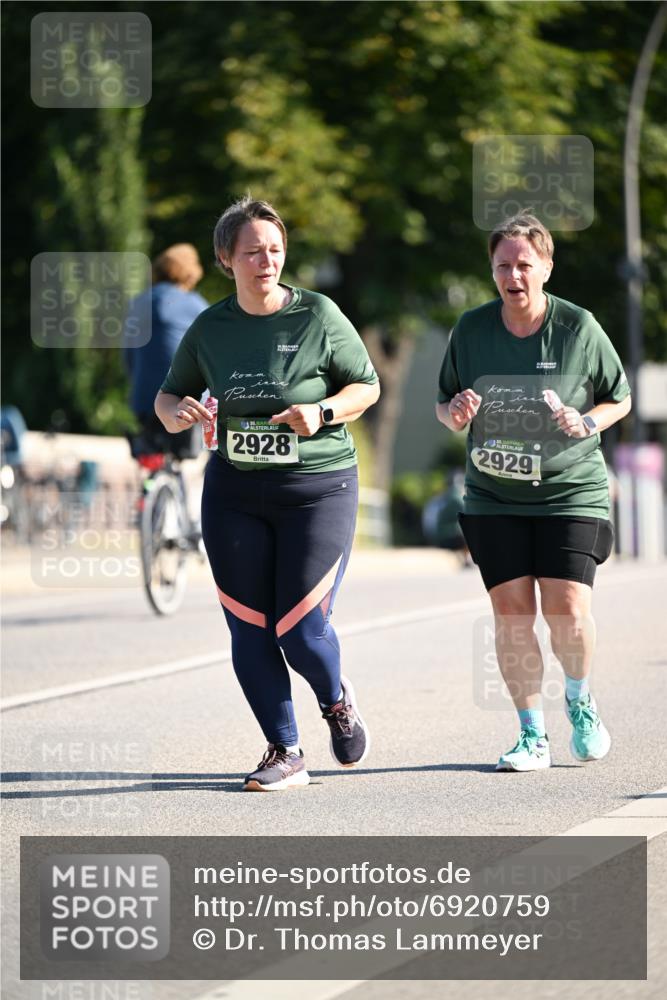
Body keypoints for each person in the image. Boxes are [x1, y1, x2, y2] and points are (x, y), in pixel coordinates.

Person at [155, 197, 380, 791]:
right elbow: (168, 395)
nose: (267, 261)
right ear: (226, 259)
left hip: (317, 487)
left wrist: (324, 410)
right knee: (250, 627)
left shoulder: (319, 315)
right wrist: (179, 410)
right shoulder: (211, 327)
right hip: (233, 490)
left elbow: (367, 385)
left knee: (301, 630)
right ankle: (285, 750)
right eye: (253, 251)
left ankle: (335, 700)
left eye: (275, 249)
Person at [435, 213, 631, 772]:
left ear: (546, 266)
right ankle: (531, 735)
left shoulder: (578, 328)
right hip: (494, 495)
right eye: (503, 265)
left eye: (525, 264)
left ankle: (580, 697)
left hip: (570, 491)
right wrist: (456, 411)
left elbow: (619, 397)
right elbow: (444, 405)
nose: (513, 274)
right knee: (512, 614)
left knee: (567, 609)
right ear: (492, 270)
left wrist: (586, 422)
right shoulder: (471, 330)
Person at [124, 243, 208, 458]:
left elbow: (129, 357)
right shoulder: (195, 305)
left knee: (151, 455)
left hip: (143, 397)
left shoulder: (138, 302)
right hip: (184, 402)